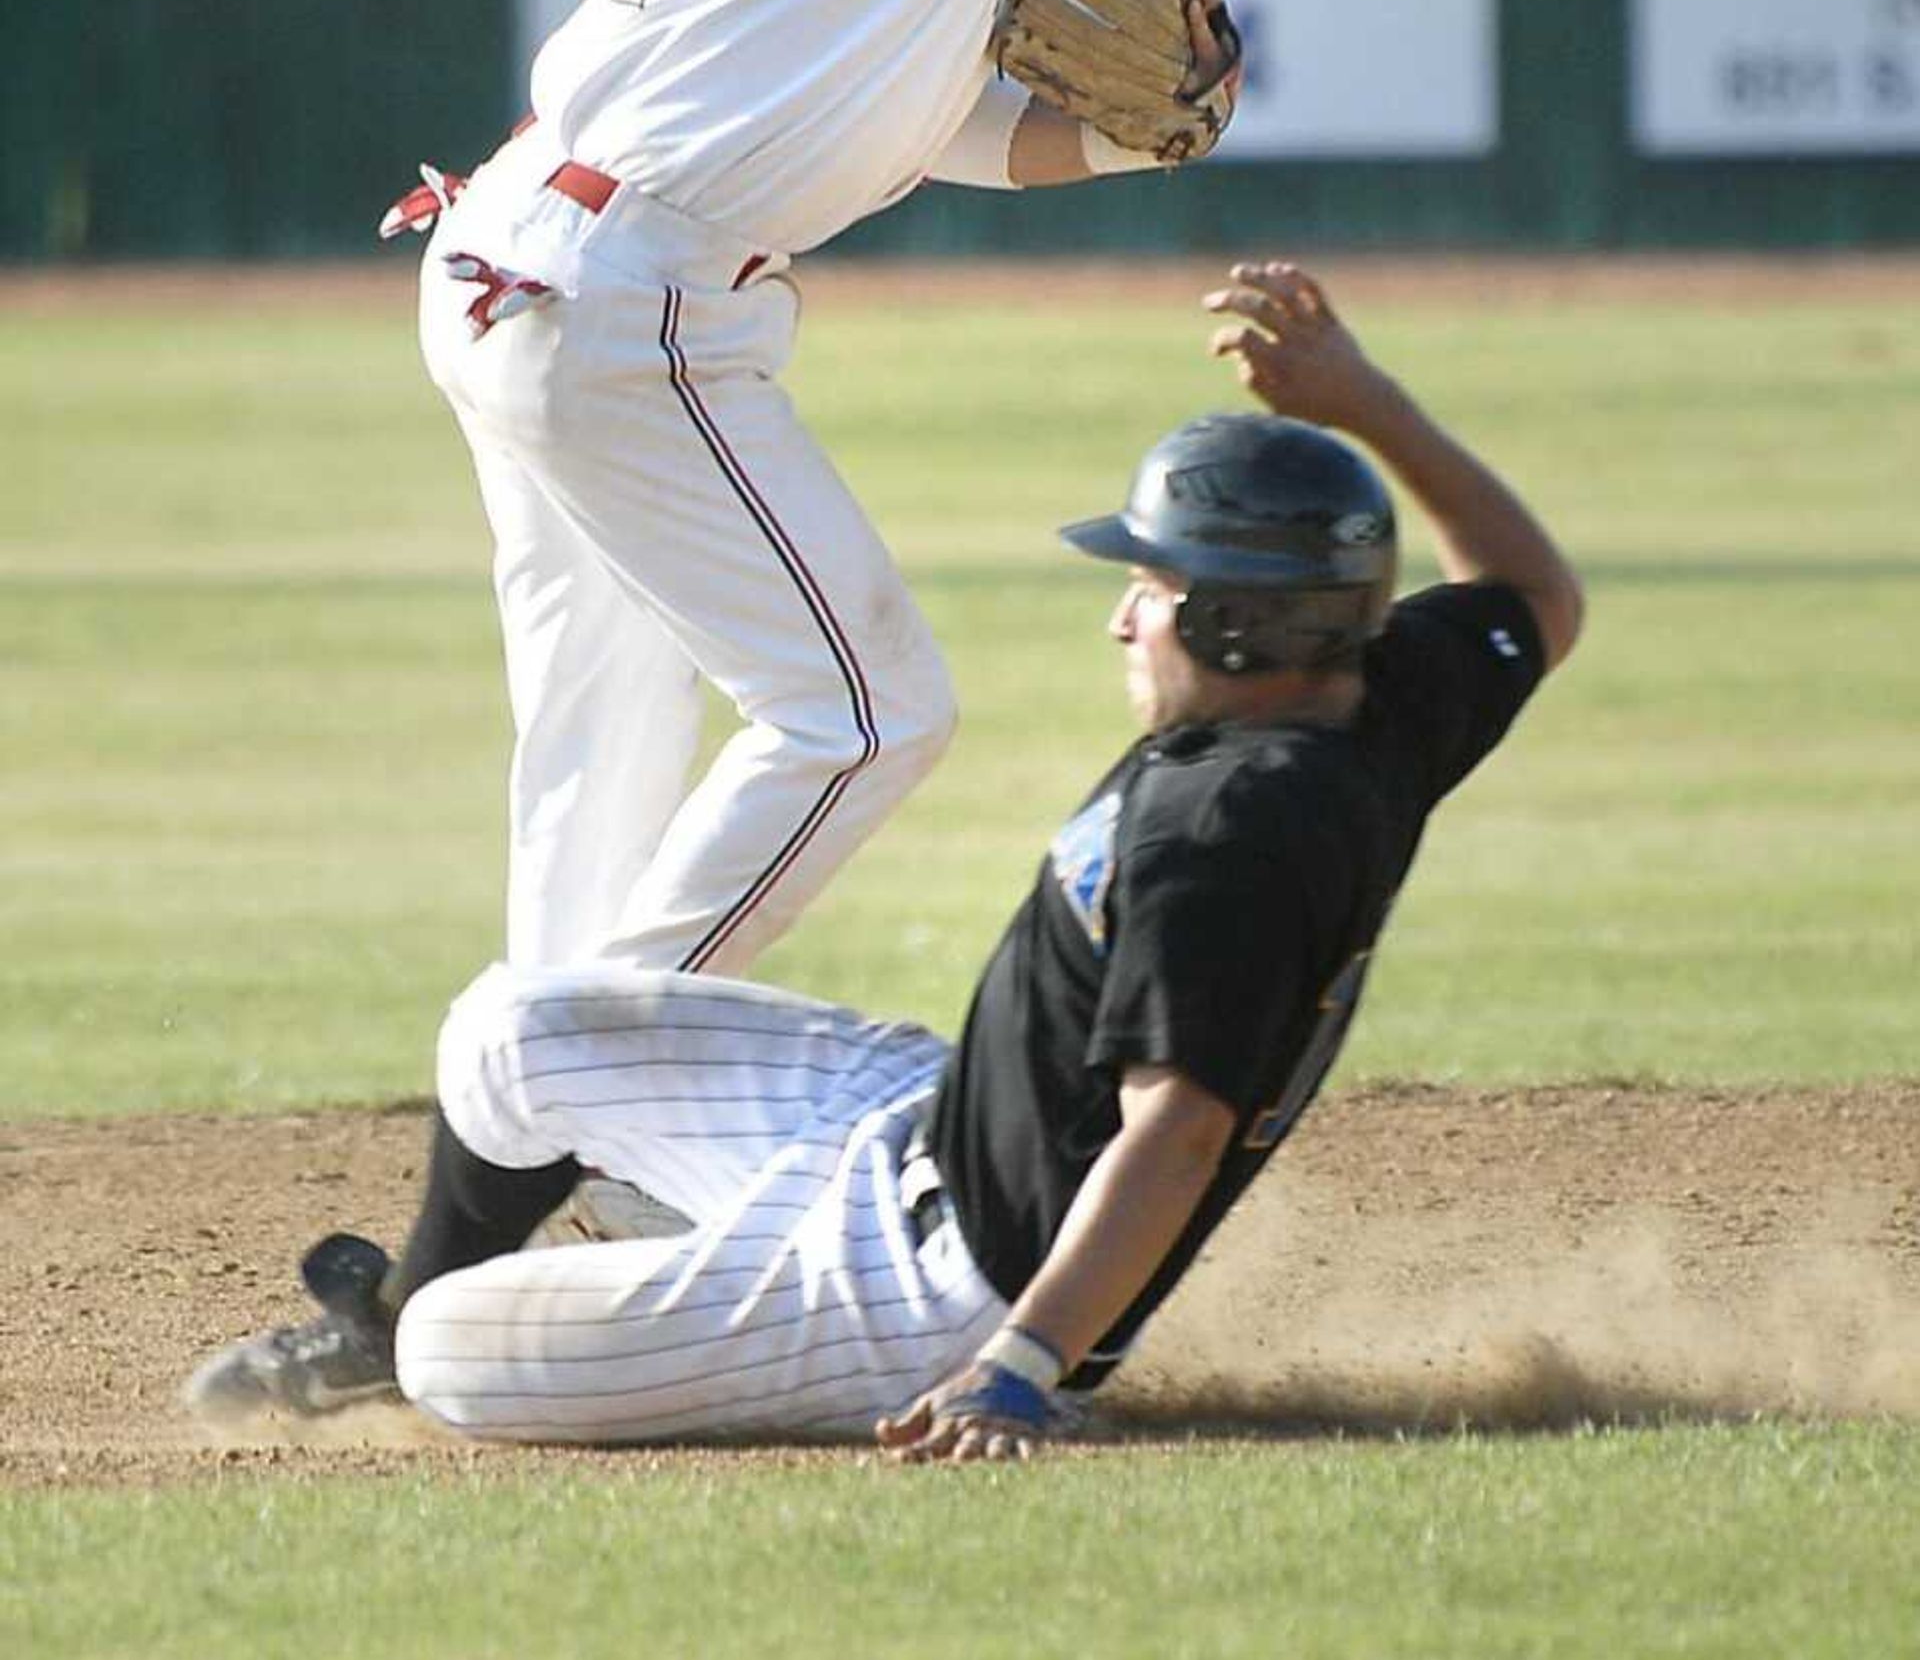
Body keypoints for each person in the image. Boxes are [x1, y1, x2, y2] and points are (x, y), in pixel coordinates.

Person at [393, 0, 1723, 978]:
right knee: (868, 713)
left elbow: (924, 108)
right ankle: (591, 1077)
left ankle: (527, 1118)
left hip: (535, 252)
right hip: (619, 292)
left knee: (605, 720)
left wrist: (1116, 140)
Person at [185, 259, 1583, 1457]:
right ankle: (545, 1284)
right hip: (912, 1116)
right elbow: (1536, 593)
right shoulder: (1373, 695)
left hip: (930, 1297)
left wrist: (1024, 1367)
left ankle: (602, 1302)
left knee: (457, 1353)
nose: (1122, 619)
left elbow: (1181, 1129)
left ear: (1233, 630)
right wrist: (1362, 408)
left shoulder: (1231, 834)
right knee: (510, 1027)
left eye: (1149, 589)